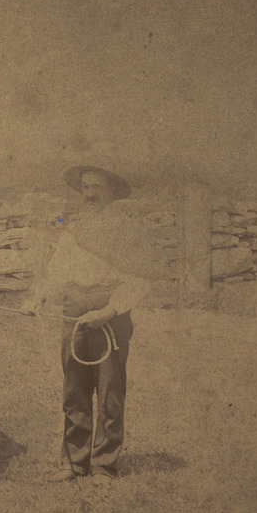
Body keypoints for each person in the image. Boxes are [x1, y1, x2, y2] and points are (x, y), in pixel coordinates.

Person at [22, 166, 152, 483]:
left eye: (96, 186)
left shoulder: (129, 232)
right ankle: (74, 462)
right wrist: (37, 298)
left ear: (112, 190)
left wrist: (110, 310)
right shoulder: (73, 229)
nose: (90, 193)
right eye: (85, 187)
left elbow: (140, 279)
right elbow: (57, 271)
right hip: (73, 310)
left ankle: (104, 465)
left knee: (109, 391)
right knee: (74, 389)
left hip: (110, 313)